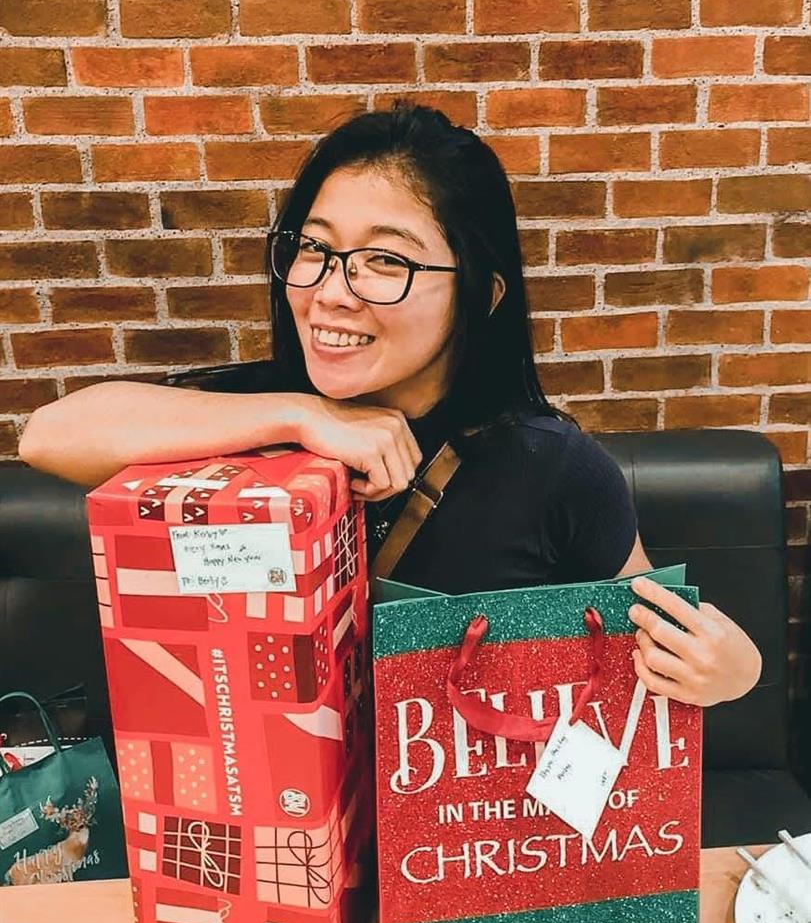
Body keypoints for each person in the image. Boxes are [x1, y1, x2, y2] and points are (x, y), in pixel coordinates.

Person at [19, 101, 761, 709]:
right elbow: (49, 437)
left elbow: (653, 632)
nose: (331, 291)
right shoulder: (250, 414)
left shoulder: (548, 464)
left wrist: (732, 671)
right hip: (258, 817)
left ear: (481, 294)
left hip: (464, 827)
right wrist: (304, 416)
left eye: (385, 260)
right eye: (315, 248)